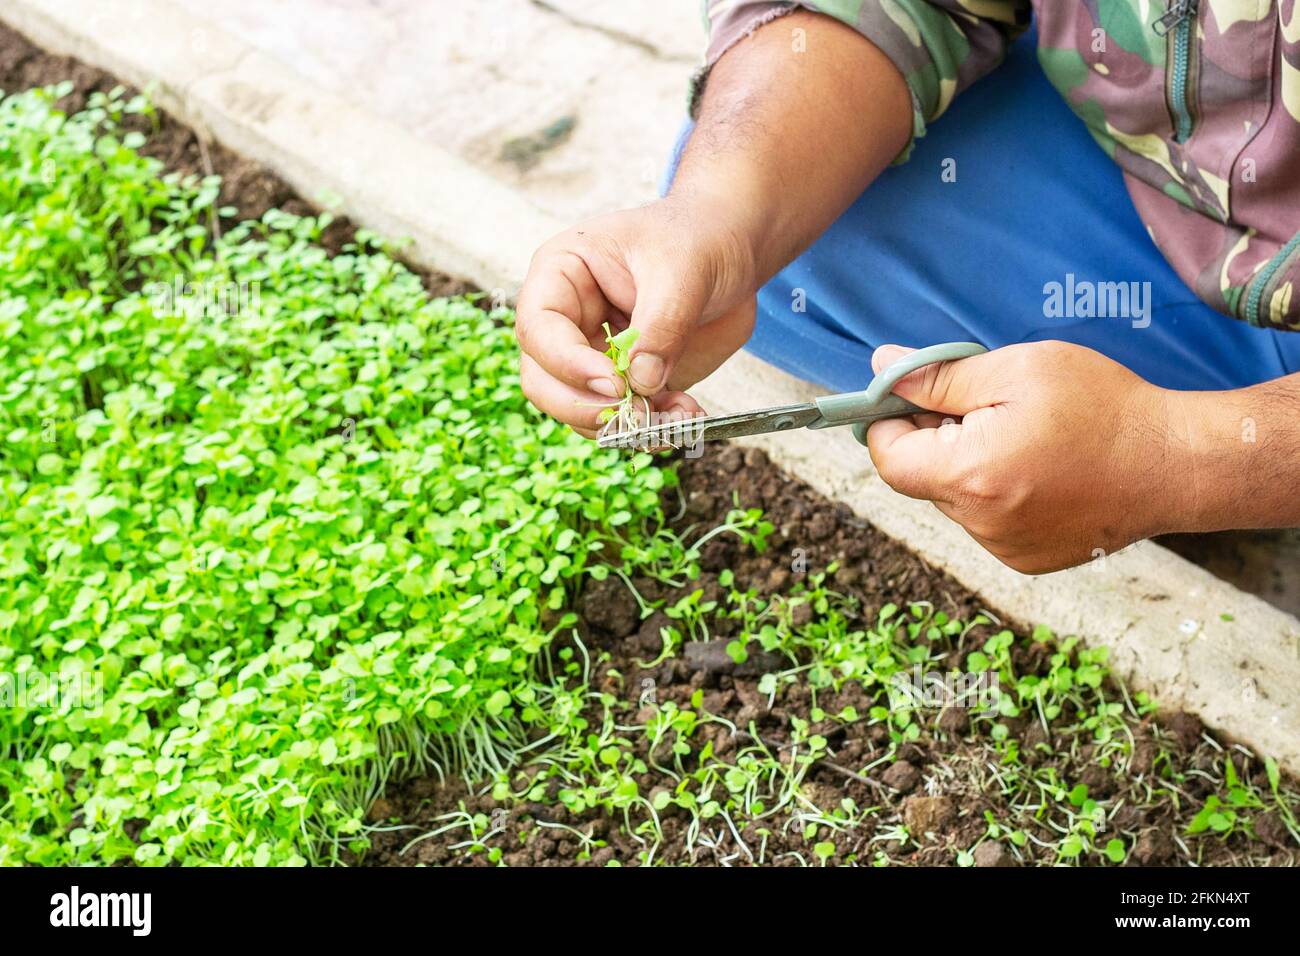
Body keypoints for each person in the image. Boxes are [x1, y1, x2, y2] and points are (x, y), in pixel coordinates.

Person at [513, 1, 1300, 574]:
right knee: (784, 217)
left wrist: (1179, 457)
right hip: (1177, 191)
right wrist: (714, 211)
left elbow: (1176, 454)